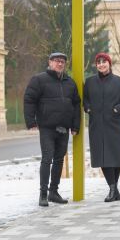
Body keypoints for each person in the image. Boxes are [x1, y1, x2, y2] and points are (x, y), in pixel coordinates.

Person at [24, 52, 81, 207]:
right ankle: (43, 194)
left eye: (62, 61)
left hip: (64, 128)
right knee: (47, 159)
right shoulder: (39, 80)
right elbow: (29, 100)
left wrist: (75, 126)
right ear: (49, 62)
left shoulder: (70, 83)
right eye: (56, 61)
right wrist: (31, 122)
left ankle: (53, 192)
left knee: (59, 160)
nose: (60, 64)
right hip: (47, 127)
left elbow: (76, 105)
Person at [83, 52, 120, 202]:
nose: (101, 64)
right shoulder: (90, 82)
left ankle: (113, 190)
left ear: (109, 64)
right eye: (98, 62)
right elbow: (85, 99)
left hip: (115, 124)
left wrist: (117, 109)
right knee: (103, 157)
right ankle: (113, 189)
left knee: (115, 157)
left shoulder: (119, 82)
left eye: (104, 62)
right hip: (97, 125)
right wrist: (88, 108)